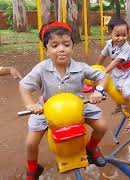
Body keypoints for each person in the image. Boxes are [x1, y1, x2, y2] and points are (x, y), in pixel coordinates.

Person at [19, 22, 108, 180]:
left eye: (66, 44)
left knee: (102, 126)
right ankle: (33, 166)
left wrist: (98, 91)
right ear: (46, 50)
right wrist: (31, 105)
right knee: (31, 143)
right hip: (47, 109)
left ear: (72, 47)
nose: (61, 49)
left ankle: (92, 147)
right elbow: (24, 86)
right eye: (54, 45)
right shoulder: (41, 68)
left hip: (79, 105)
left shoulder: (80, 67)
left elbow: (103, 75)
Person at [96, 18, 130, 133]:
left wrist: (104, 71)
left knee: (126, 94)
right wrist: (95, 68)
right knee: (112, 87)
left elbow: (116, 61)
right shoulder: (109, 45)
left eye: (124, 35)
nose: (121, 38)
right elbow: (102, 55)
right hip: (118, 72)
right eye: (117, 35)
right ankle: (118, 106)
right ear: (110, 33)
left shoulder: (126, 47)